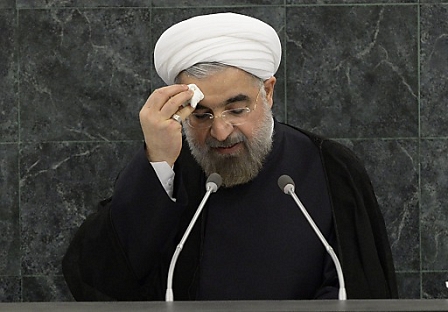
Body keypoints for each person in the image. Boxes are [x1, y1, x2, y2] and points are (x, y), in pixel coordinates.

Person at [62, 12, 398, 301]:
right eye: (201, 115)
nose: (220, 132)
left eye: (236, 109)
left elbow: (357, 289)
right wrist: (158, 160)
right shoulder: (169, 170)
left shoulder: (330, 168)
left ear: (267, 92)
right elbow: (99, 278)